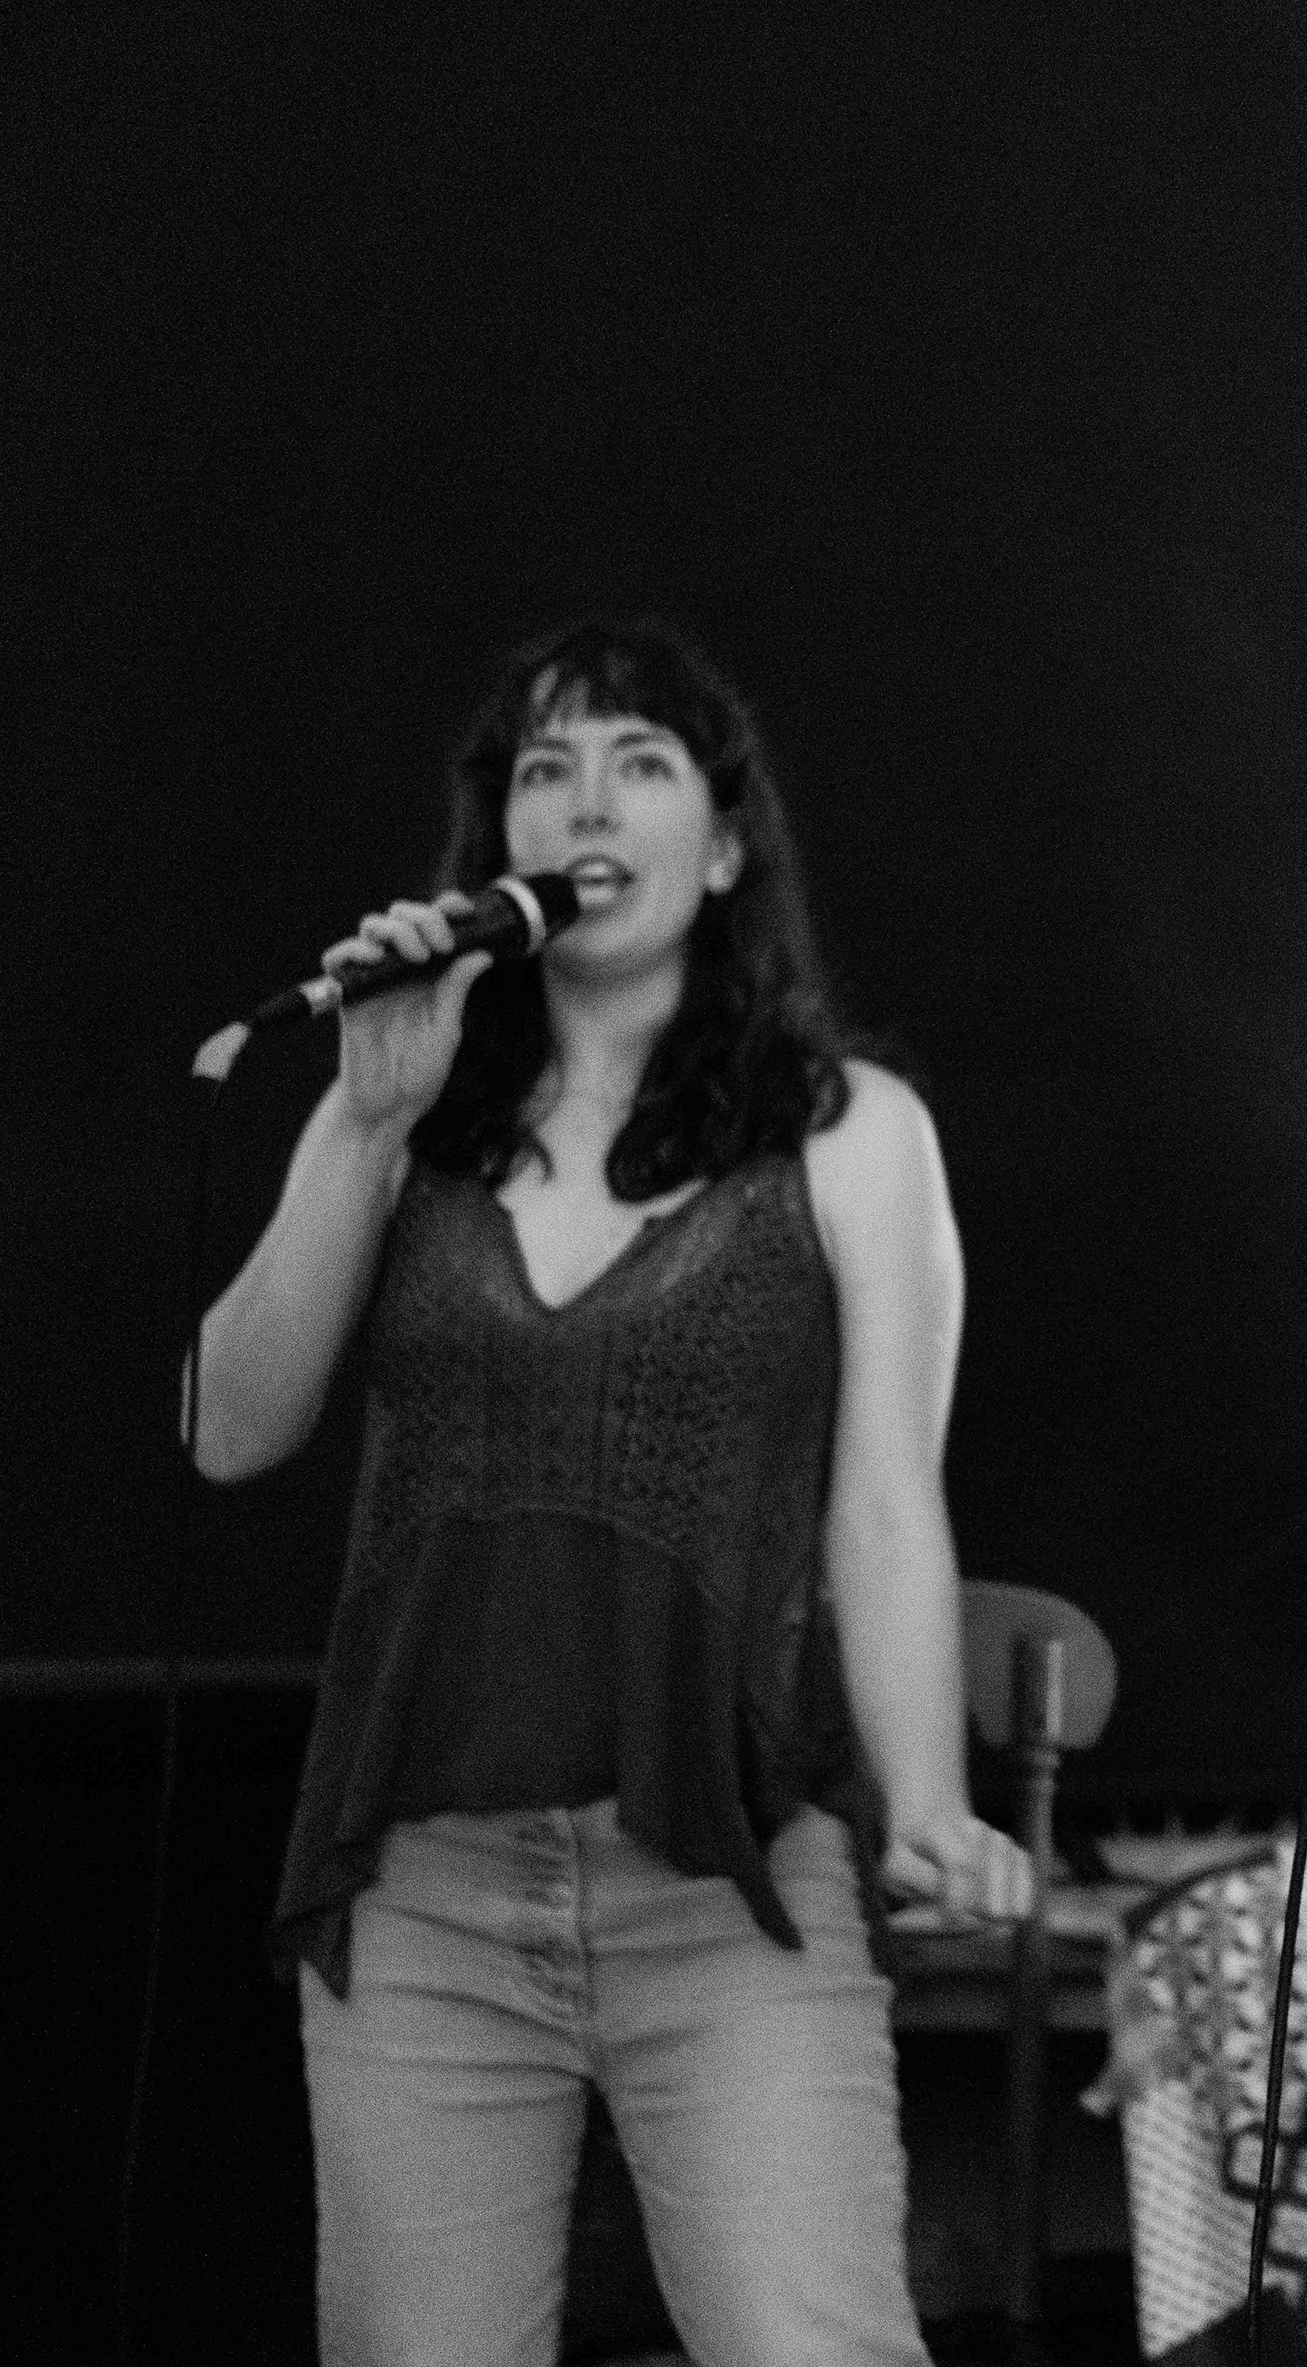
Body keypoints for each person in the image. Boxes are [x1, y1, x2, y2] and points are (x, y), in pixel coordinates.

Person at [193, 619, 1033, 2367]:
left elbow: (886, 1503)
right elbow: (226, 1427)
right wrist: (361, 1122)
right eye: (546, 768)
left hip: (729, 1876)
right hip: (422, 1883)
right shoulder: (410, 1114)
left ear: (720, 849)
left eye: (639, 762)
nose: (586, 802)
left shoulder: (852, 1130)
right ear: (500, 841)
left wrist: (931, 1801)